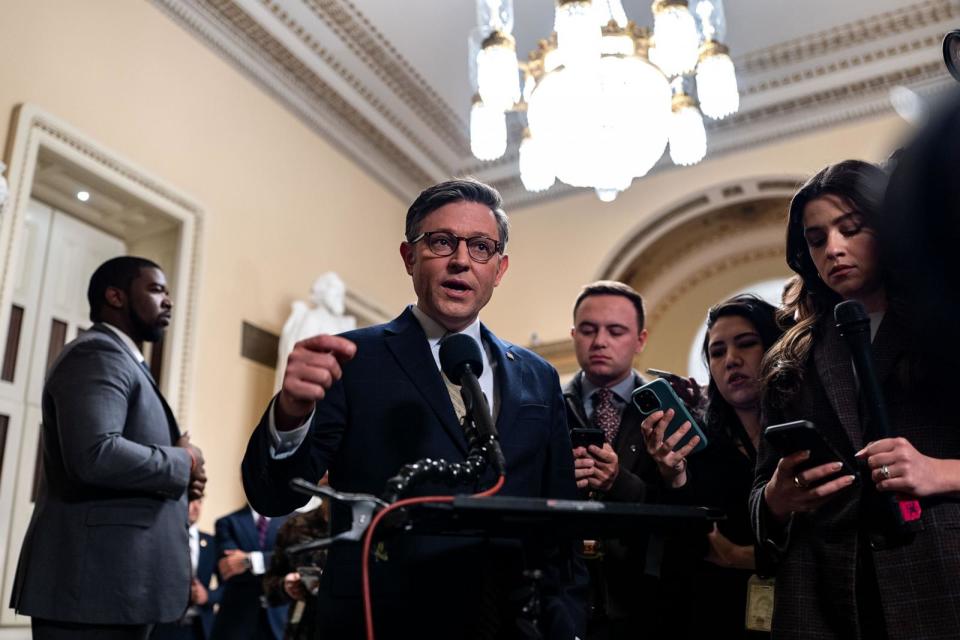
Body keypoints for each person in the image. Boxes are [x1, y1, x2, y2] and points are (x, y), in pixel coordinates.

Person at [241, 178, 584, 639]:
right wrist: (290, 415)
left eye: (481, 247)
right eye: (442, 242)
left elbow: (560, 521)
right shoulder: (351, 358)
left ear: (499, 269)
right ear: (409, 256)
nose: (461, 260)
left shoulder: (538, 376)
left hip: (511, 622)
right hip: (383, 618)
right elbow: (274, 496)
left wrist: (569, 623)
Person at [748, 159, 960, 639]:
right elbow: (760, 492)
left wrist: (939, 471)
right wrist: (777, 500)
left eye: (852, 229)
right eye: (817, 239)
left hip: (940, 579)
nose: (834, 249)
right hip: (824, 594)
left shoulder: (947, 324)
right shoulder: (789, 356)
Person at [9, 256, 206, 640]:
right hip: (91, 590)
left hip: (119, 588)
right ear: (115, 296)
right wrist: (184, 460)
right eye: (155, 289)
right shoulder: (97, 353)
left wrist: (185, 480)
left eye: (168, 292)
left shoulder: (128, 363)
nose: (168, 301)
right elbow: (95, 454)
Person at [649, 294, 782, 639]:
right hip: (715, 615)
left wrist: (742, 556)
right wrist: (674, 477)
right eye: (717, 352)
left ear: (775, 348)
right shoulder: (698, 443)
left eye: (747, 344)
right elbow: (685, 552)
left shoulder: (806, 429)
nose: (731, 361)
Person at [563, 280, 690, 639]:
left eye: (615, 331)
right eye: (588, 330)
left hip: (644, 598)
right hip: (565, 592)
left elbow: (685, 512)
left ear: (640, 340)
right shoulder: (545, 405)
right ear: (573, 334)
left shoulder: (671, 412)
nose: (599, 341)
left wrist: (620, 482)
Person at [210, 506, 290, 640]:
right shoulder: (227, 522)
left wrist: (251, 560)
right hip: (237, 620)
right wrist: (275, 562)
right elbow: (230, 566)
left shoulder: (292, 521)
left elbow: (293, 559)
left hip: (279, 620)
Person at [152, 499, 221, 640]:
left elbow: (229, 587)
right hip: (165, 628)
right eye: (191, 500)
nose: (195, 507)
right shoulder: (160, 539)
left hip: (201, 628)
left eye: (200, 501)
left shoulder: (212, 542)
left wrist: (207, 596)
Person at [263, 502, 329, 640]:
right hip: (301, 628)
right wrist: (285, 586)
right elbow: (269, 585)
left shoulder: (371, 524)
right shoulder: (295, 526)